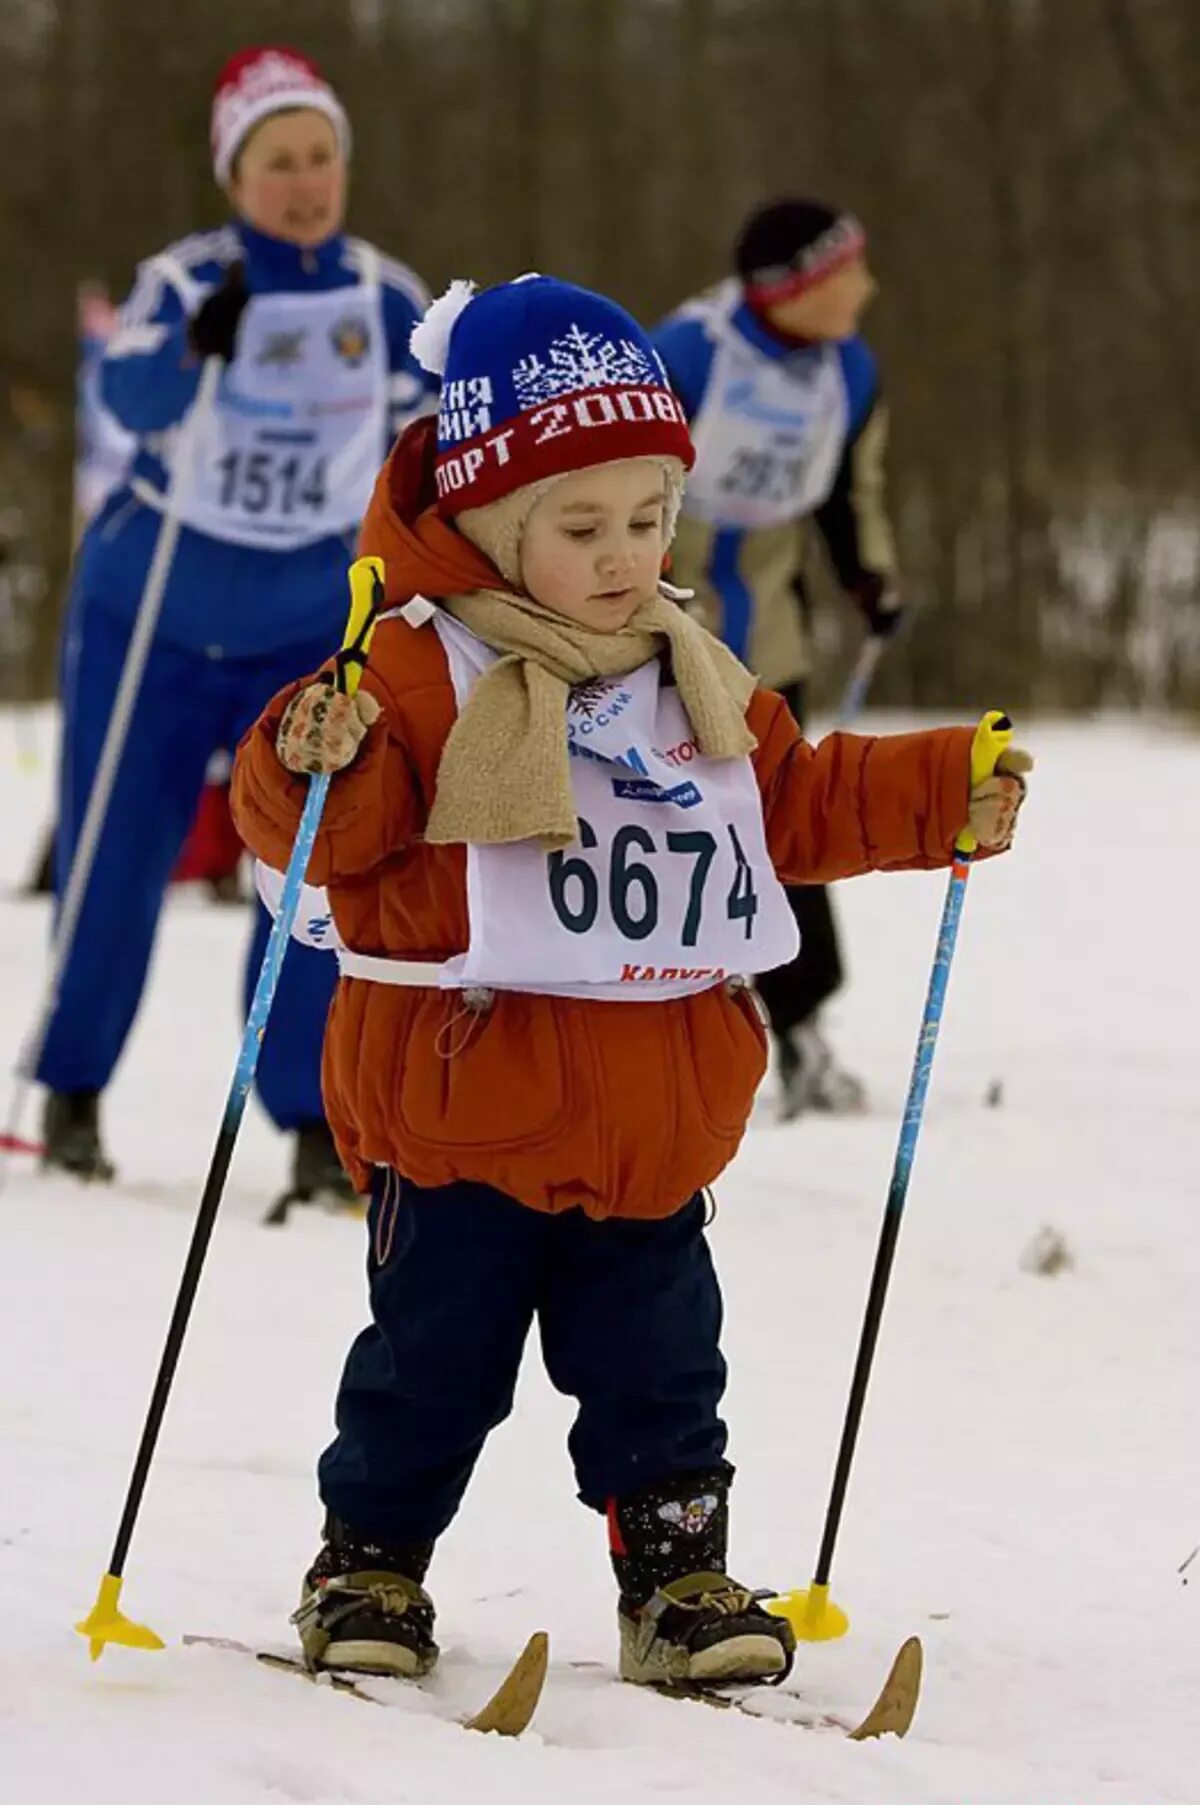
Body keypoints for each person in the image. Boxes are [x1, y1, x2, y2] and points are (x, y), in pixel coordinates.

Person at [231, 275, 1030, 1685]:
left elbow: (795, 798)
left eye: (650, 519)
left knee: (664, 1378)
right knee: (431, 1369)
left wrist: (936, 792)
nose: (623, 556)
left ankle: (681, 1579)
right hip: (462, 1114)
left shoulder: (692, 673)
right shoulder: (420, 672)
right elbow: (329, 841)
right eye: (582, 527)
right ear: (487, 522)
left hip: (655, 1121)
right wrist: (314, 748)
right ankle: (370, 1561)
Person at [37, 46, 436, 1201]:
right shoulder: (185, 279)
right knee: (120, 847)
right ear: (235, 174)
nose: (304, 183)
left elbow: (428, 456)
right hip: (153, 603)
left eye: (320, 159)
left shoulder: (382, 294)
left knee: (310, 865)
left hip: (303, 617)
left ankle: (313, 1121)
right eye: (277, 163)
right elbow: (129, 397)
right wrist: (191, 346)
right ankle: (72, 1092)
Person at [652, 198, 903, 1119]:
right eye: (847, 274)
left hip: (770, 631)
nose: (866, 289)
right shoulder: (689, 352)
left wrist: (869, 578)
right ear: (793, 287)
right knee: (674, 817)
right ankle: (658, 1008)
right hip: (663, 628)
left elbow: (847, 488)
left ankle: (795, 1015)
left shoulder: (851, 369)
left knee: (783, 813)